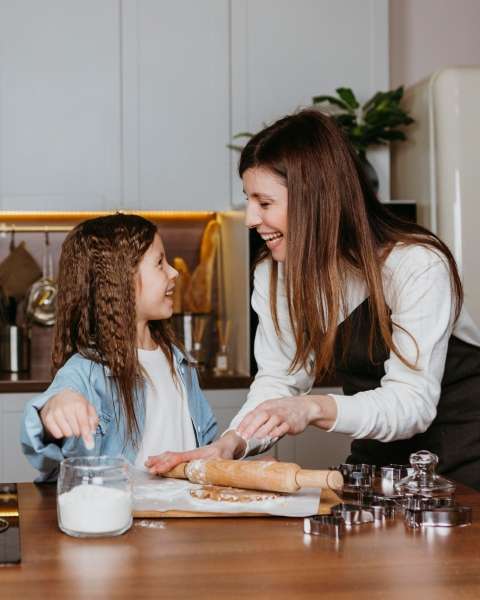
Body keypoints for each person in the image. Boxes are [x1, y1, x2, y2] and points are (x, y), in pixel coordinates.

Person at [147, 109, 480, 490]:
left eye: (264, 202)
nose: (250, 219)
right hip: (378, 461)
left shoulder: (415, 265)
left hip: (464, 459)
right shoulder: (276, 276)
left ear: (315, 199)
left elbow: (412, 404)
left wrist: (313, 407)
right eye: (248, 200)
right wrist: (232, 443)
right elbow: (279, 381)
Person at [21, 214, 217, 481]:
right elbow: (42, 442)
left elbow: (207, 444)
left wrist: (240, 463)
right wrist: (53, 409)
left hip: (185, 514)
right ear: (120, 280)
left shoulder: (178, 361)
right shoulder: (86, 370)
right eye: (160, 263)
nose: (174, 272)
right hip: (125, 519)